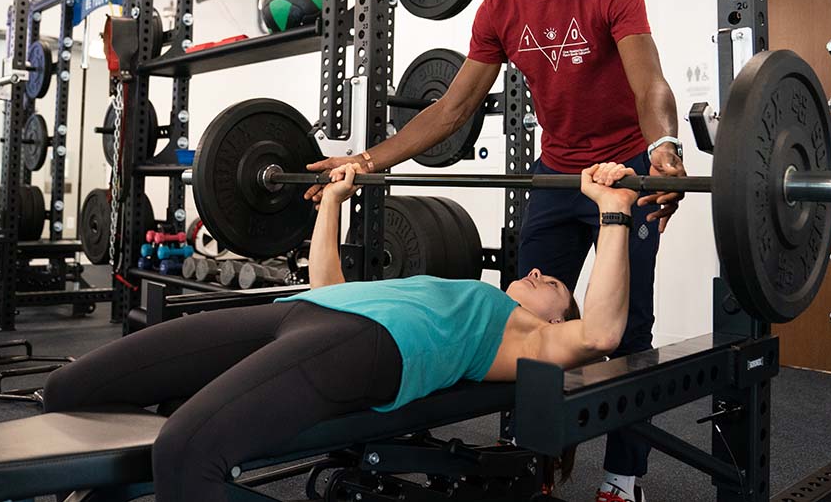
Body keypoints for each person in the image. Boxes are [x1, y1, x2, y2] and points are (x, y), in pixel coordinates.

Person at [304, 0, 682, 502]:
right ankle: (529, 463)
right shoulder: (498, 9)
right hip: (556, 172)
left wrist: (665, 150)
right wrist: (362, 163)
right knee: (519, 320)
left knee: (626, 327)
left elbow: (650, 82)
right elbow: (450, 109)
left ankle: (624, 479)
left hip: (624, 168)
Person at [41, 162, 638, 502]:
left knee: (186, 453)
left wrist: (612, 211)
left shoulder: (524, 336)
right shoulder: (461, 288)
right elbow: (330, 285)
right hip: (296, 311)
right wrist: (332, 201)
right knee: (69, 389)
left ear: (558, 319)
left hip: (362, 347)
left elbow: (604, 333)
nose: (537, 271)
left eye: (556, 285)